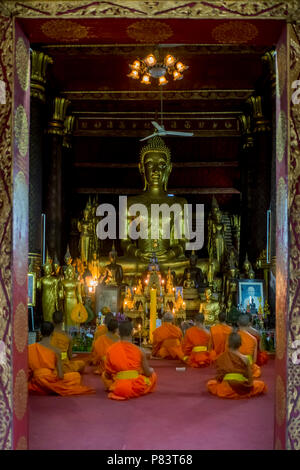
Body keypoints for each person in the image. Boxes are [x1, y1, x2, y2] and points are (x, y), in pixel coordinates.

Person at [28, 322, 95, 396]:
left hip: (36, 381)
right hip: (50, 380)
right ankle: (49, 388)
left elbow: (28, 371)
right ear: (52, 333)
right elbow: (60, 376)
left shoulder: (30, 348)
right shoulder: (57, 351)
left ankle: (44, 387)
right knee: (76, 376)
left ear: (40, 333)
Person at [101, 320, 157, 401]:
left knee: (103, 375)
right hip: (136, 386)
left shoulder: (111, 350)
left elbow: (108, 373)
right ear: (132, 332)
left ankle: (113, 386)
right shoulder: (140, 350)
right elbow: (147, 373)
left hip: (119, 386)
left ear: (118, 333)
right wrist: (151, 370)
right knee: (153, 375)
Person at [207, 332, 267, 399]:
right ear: (240, 344)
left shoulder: (221, 357)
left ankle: (228, 391)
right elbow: (249, 377)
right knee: (261, 385)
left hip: (226, 389)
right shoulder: (245, 358)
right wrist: (248, 387)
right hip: (241, 387)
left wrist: (221, 383)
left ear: (228, 344)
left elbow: (219, 375)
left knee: (210, 384)